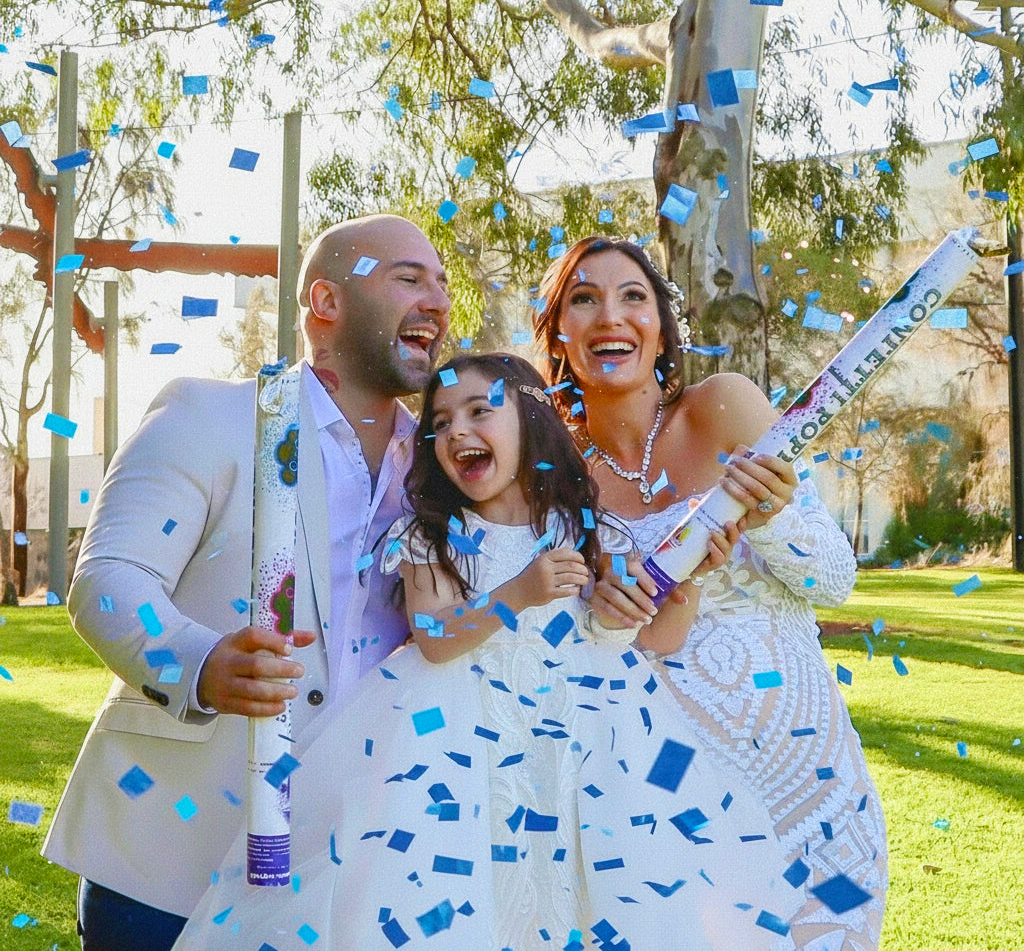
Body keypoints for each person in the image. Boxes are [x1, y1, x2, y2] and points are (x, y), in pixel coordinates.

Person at [171, 354, 802, 951]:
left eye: (479, 411)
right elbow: (435, 640)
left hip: (581, 745)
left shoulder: (589, 529)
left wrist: (686, 584)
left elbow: (642, 639)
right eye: (440, 422)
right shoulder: (435, 535)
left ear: (531, 421)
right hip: (457, 748)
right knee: (467, 894)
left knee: (584, 891)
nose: (456, 431)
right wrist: (516, 593)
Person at [41, 215, 451, 951]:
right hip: (172, 858)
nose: (437, 300)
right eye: (409, 278)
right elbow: (107, 578)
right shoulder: (209, 416)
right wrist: (200, 662)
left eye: (442, 283)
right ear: (326, 301)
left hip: (352, 865)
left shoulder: (442, 464)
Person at [534, 236, 888, 951]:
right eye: (584, 299)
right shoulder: (549, 471)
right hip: (667, 797)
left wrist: (776, 518)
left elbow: (833, 580)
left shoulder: (725, 405)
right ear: (558, 334)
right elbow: (570, 654)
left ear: (662, 326)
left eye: (633, 297)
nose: (612, 316)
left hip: (807, 774)